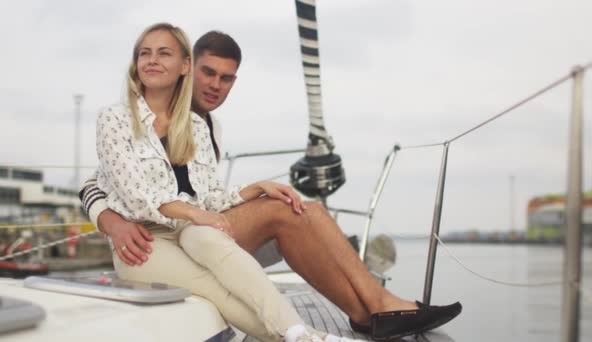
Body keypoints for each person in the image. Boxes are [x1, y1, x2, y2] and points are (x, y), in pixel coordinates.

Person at [83, 26, 462, 341]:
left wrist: (254, 187)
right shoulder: (123, 118)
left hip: (194, 227)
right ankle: (369, 309)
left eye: (226, 78)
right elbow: (99, 183)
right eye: (208, 73)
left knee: (304, 209)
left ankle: (371, 306)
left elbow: (210, 194)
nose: (216, 85)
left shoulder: (205, 126)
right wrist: (111, 221)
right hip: (163, 231)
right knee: (285, 215)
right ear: (189, 68)